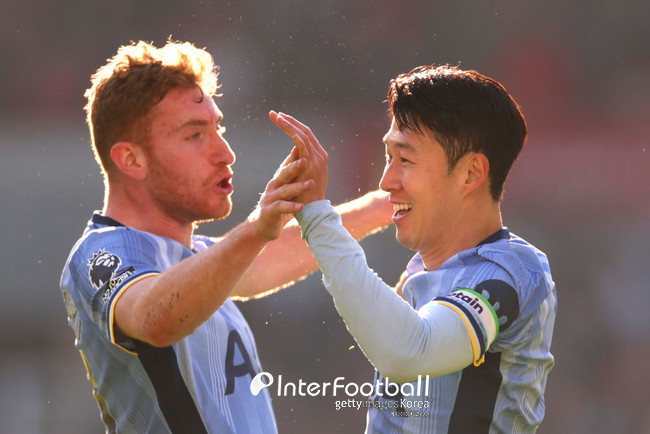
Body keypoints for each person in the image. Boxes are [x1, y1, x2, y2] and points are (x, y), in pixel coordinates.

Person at [59, 40, 392, 433]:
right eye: (194, 135)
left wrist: (389, 203)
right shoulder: (100, 254)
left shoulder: (196, 260)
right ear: (131, 159)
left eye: (218, 128)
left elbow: (273, 255)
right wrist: (254, 230)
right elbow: (156, 318)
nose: (225, 153)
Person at [274, 65, 557, 433]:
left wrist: (318, 217)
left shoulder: (510, 273)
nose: (385, 181)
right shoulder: (418, 270)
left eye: (405, 159)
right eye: (388, 157)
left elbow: (410, 353)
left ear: (471, 174)